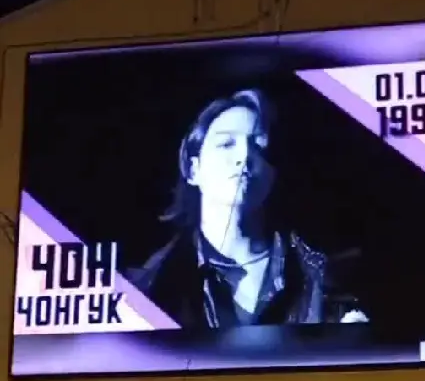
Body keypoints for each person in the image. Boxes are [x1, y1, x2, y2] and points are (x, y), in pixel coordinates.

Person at [126, 88, 368, 329]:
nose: (243, 155)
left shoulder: (325, 279)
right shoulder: (147, 289)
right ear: (192, 169)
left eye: (258, 145)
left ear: (273, 173)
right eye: (226, 144)